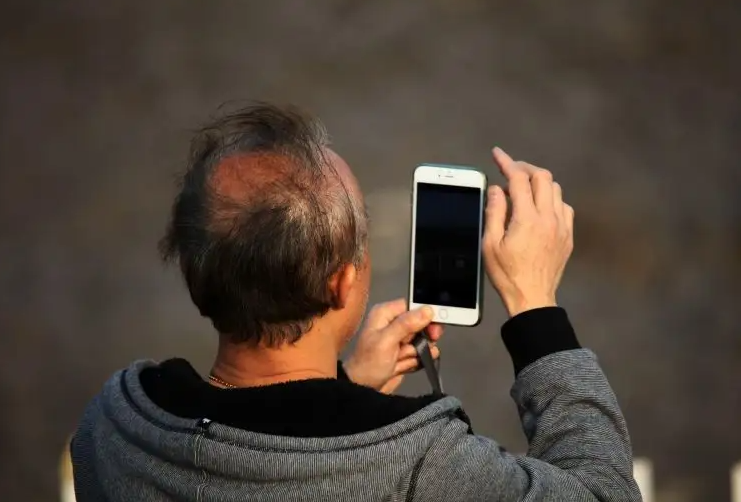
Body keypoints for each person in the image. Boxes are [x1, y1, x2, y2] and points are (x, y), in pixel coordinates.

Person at [70, 103, 642, 501]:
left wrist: (343, 392)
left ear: (195, 273)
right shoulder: (420, 465)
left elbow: (254, 454)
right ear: (342, 285)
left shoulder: (113, 426)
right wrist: (535, 307)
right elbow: (603, 493)